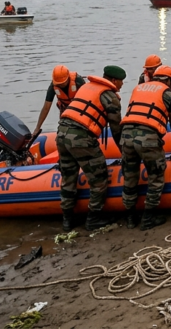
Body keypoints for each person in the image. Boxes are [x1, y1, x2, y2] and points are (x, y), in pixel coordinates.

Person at [56, 65, 125, 231]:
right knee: (99, 178)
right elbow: (117, 131)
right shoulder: (110, 97)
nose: (122, 85)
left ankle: (67, 220)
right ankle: (93, 218)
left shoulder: (86, 86)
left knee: (68, 178)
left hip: (61, 133)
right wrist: (126, 154)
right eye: (121, 82)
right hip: (81, 137)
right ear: (114, 80)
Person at [121, 66, 171, 230]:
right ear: (169, 80)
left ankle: (130, 218)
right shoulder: (169, 95)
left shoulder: (138, 88)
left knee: (130, 176)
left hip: (126, 135)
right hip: (148, 138)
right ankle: (148, 217)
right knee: (156, 175)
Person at [30, 64, 87, 140]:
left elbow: (89, 100)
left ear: (68, 78)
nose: (60, 85)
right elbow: (46, 107)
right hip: (65, 109)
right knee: (62, 131)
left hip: (80, 109)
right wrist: (37, 128)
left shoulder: (78, 80)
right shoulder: (53, 86)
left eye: (62, 83)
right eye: (58, 83)